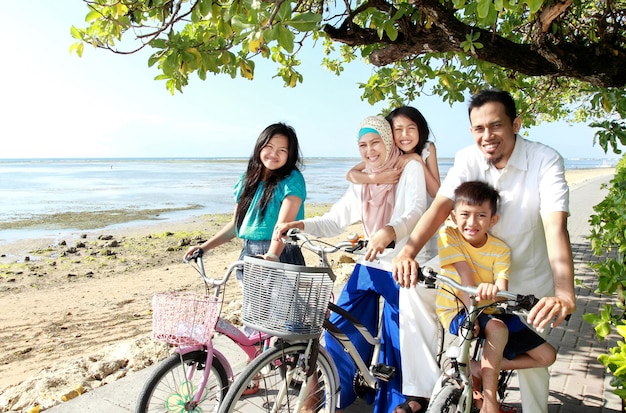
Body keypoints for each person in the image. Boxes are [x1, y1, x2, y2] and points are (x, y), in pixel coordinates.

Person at [392, 89, 576, 413]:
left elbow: (555, 226)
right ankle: (421, 392)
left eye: (496, 126)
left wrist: (564, 292)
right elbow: (439, 208)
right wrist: (407, 252)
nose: (487, 136)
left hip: (526, 282)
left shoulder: (545, 160)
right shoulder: (467, 159)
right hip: (474, 277)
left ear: (515, 124)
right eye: (479, 128)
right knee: (412, 289)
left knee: (535, 371)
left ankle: (495, 372)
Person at [275, 115, 438, 413]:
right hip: (371, 263)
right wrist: (302, 224)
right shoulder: (366, 178)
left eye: (376, 142)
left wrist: (390, 231)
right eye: (363, 144)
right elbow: (336, 218)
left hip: (402, 263)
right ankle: (336, 394)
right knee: (339, 326)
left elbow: (416, 210)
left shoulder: (410, 167)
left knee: (397, 334)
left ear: (388, 142)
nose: (370, 150)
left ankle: (401, 403)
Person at [437, 181, 556, 413]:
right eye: (465, 214)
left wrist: (495, 291)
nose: (472, 222)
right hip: (457, 308)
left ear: (493, 220)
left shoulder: (500, 250)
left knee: (546, 355)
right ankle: (490, 404)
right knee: (498, 329)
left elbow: (501, 287)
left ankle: (483, 367)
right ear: (453, 216)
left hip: (490, 310)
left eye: (481, 215)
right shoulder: (448, 235)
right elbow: (465, 278)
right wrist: (480, 293)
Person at [184, 122, 306, 273]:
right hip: (249, 254)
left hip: (282, 255)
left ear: (290, 155)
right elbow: (236, 225)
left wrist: (272, 255)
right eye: (269, 146)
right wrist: (204, 247)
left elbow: (284, 226)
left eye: (282, 150)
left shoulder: (292, 180)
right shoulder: (246, 181)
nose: (274, 154)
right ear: (259, 146)